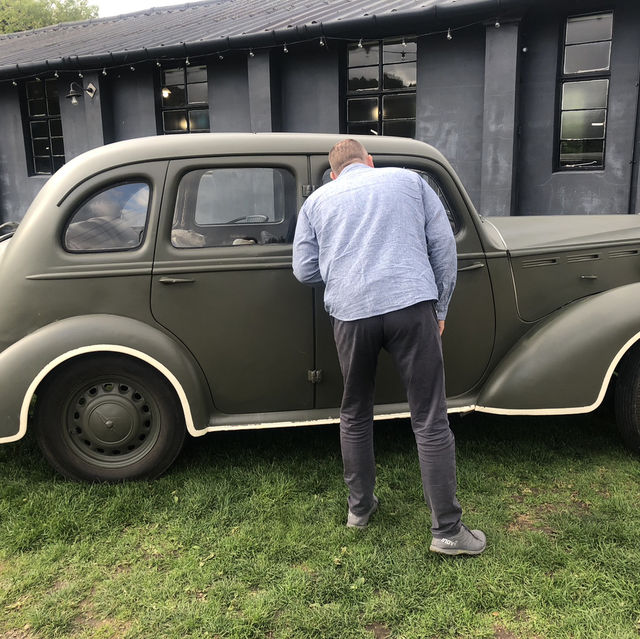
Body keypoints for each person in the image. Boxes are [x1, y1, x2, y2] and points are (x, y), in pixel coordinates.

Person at [292, 139, 485, 556]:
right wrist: (441, 308)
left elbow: (304, 270)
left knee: (355, 412)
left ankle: (359, 511)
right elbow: (443, 250)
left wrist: (344, 273)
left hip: (350, 314)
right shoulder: (410, 181)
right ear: (370, 162)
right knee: (429, 418)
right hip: (411, 305)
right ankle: (448, 532)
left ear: (334, 173)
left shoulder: (317, 202)